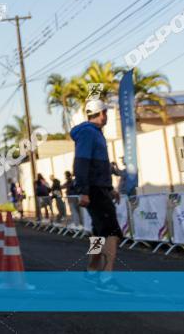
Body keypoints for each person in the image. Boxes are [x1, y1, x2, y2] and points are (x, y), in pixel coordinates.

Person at [71, 99, 130, 294]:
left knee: (98, 234)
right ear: (102, 113)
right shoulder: (89, 133)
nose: (107, 116)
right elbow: (81, 162)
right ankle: (106, 277)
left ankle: (91, 271)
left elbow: (98, 166)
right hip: (94, 190)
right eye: (106, 112)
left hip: (99, 188)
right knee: (111, 232)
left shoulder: (94, 133)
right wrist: (84, 190)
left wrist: (109, 188)